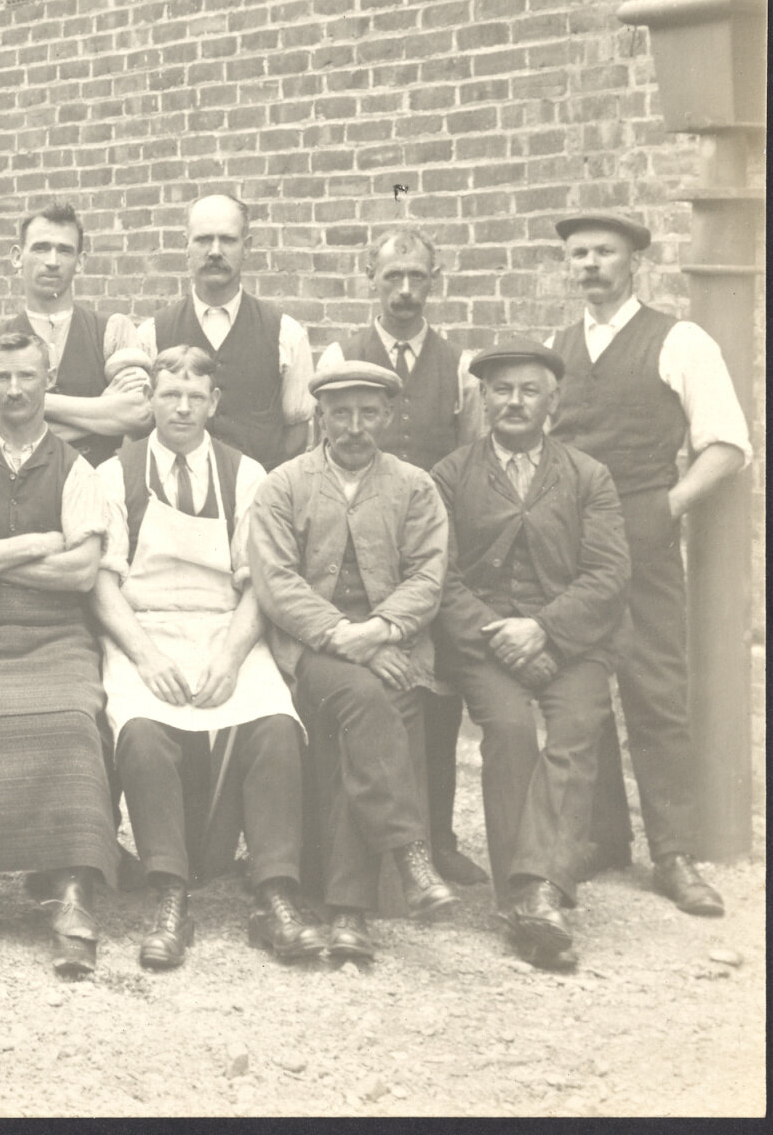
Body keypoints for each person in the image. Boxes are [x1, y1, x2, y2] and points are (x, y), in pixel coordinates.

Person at [90, 347, 324, 970]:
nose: (184, 408)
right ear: (152, 403)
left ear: (214, 403)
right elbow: (102, 584)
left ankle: (275, 893)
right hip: (145, 629)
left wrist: (229, 656)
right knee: (141, 733)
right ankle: (169, 892)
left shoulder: (246, 474)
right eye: (170, 395)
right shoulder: (114, 473)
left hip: (225, 627)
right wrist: (143, 655)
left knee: (275, 728)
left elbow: (259, 583)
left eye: (196, 397)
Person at [548, 212, 750, 917]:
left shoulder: (679, 340)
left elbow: (726, 444)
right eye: (578, 255)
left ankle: (674, 851)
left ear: (634, 261)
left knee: (657, 689)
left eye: (604, 253)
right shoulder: (559, 344)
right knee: (581, 687)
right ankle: (604, 838)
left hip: (644, 529)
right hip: (573, 540)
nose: (590, 265)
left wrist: (668, 507)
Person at [0, 331, 118, 978]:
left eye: (26, 377)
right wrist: (38, 542)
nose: (12, 391)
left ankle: (70, 890)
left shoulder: (76, 467)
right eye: (1, 377)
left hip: (57, 636)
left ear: (48, 378)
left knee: (71, 720)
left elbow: (83, 573)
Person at [247, 361, 456, 964]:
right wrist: (347, 636)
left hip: (394, 647)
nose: (355, 427)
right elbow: (277, 582)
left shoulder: (415, 487)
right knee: (365, 697)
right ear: (320, 418)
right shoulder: (283, 485)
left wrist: (384, 629)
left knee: (365, 715)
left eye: (369, 413)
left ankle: (347, 913)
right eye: (341, 413)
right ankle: (410, 855)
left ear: (387, 417)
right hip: (311, 651)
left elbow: (427, 575)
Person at [431, 343, 630, 971]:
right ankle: (518, 894)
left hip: (568, 642)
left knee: (577, 727)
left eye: (529, 391)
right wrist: (502, 635)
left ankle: (538, 890)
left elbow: (608, 573)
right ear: (483, 399)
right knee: (512, 728)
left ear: (553, 402)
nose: (514, 402)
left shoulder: (587, 475)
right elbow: (439, 576)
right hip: (485, 644)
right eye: (502, 391)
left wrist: (543, 630)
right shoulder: (450, 475)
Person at [317, 225, 487, 888]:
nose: (407, 291)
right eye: (394, 278)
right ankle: (359, 848)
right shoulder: (341, 354)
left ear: (434, 282)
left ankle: (435, 837)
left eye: (419, 277)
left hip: (424, 552)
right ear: (370, 280)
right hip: (356, 555)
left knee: (435, 697)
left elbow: (469, 461)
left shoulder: (459, 366)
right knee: (362, 691)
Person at [136, 193, 315, 471]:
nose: (215, 251)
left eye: (228, 240)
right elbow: (139, 428)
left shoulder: (286, 334)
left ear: (247, 247)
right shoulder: (151, 334)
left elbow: (297, 433)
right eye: (204, 239)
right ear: (187, 246)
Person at [0, 201, 153, 468]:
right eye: (41, 248)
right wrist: (101, 410)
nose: (52, 261)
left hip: (96, 491)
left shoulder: (113, 329)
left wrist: (26, 410)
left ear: (80, 261)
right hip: (19, 494)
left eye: (64, 251)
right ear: (18, 257)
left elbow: (138, 413)